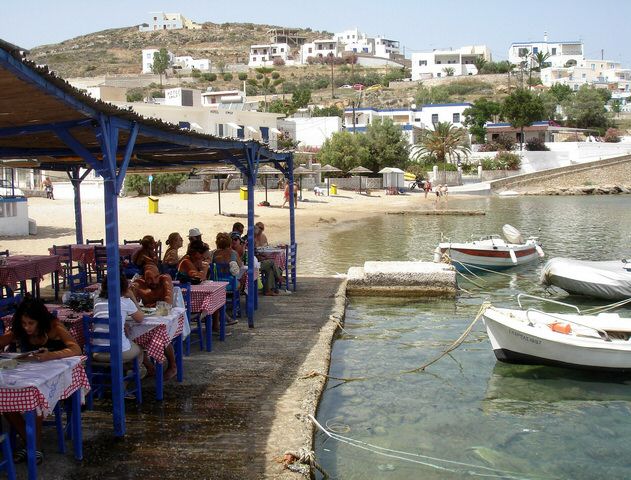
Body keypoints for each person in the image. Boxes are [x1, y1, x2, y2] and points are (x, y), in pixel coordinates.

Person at [0, 296, 81, 464]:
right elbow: (4, 339)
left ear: (40, 320)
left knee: (35, 406)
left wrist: (51, 355)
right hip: (32, 379)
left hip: (56, 380)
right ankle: (33, 446)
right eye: (24, 323)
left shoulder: (54, 328)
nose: (27, 327)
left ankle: (33, 447)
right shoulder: (20, 330)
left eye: (31, 323)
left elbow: (76, 348)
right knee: (5, 404)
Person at [131, 235, 173, 307]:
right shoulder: (143, 253)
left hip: (149, 269)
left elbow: (167, 302)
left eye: (156, 277)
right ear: (149, 245)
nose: (153, 281)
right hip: (142, 270)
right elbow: (153, 261)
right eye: (153, 243)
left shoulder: (165, 279)